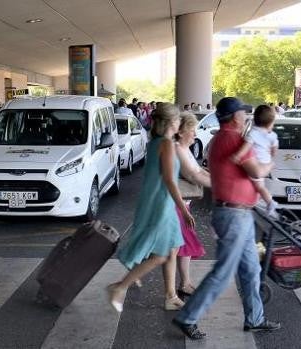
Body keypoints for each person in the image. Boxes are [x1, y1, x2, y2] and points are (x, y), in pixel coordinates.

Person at [172, 97, 280, 340]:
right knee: (223, 272)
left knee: (251, 269)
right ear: (235, 117)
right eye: (243, 112)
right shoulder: (233, 139)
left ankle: (255, 318)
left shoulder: (221, 138)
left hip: (238, 213)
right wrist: (273, 158)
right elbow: (257, 171)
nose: (246, 116)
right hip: (234, 215)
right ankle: (188, 316)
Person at [107, 103, 195, 313]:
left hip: (162, 201)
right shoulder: (165, 144)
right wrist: (183, 209)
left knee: (172, 248)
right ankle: (120, 287)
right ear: (172, 122)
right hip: (162, 204)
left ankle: (171, 296)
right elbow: (169, 180)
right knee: (161, 254)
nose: (180, 123)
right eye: (178, 120)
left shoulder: (157, 142)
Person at [174, 112, 211, 298]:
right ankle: (129, 278)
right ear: (181, 132)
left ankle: (184, 283)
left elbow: (198, 171)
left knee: (182, 244)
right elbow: (193, 175)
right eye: (192, 130)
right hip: (175, 205)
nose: (195, 134)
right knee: (175, 246)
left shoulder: (184, 149)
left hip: (182, 203)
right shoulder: (177, 149)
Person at [232, 105, 278, 216]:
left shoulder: (252, 133)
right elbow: (274, 150)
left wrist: (237, 156)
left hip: (256, 163)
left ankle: (270, 202)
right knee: (260, 186)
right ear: (271, 123)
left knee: (259, 186)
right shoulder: (272, 135)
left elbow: (246, 147)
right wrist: (270, 159)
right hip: (265, 161)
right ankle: (267, 202)